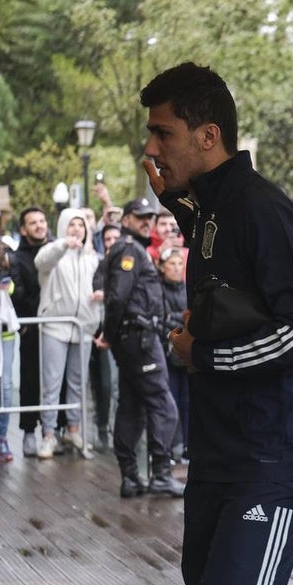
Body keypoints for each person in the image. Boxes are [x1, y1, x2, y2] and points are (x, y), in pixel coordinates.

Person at [141, 61, 293, 585]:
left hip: (269, 465)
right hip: (222, 457)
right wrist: (179, 205)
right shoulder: (212, 211)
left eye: (162, 134)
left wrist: (208, 357)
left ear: (208, 136)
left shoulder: (260, 209)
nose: (149, 149)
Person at [101, 198, 184, 498]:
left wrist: (110, 334)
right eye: (139, 217)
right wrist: (110, 334)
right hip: (139, 339)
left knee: (132, 406)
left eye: (148, 217)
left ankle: (131, 477)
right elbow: (118, 298)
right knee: (163, 404)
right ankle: (160, 473)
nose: (145, 222)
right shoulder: (128, 250)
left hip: (135, 338)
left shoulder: (131, 249)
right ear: (125, 219)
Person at [34, 207, 102, 458]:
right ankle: (48, 435)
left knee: (78, 382)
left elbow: (101, 282)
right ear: (63, 227)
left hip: (83, 327)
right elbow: (41, 262)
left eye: (81, 225)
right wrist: (63, 244)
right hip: (55, 326)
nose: (77, 229)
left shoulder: (92, 258)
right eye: (72, 225)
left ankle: (73, 429)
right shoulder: (53, 253)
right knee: (51, 384)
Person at [9, 206, 49, 457]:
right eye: (33, 222)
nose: (39, 225)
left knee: (59, 379)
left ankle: (57, 430)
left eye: (42, 220)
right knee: (30, 380)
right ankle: (28, 431)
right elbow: (18, 293)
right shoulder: (17, 257)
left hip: (58, 326)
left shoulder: (59, 247)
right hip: (32, 327)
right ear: (23, 229)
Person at [89, 223, 122, 452]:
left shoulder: (133, 261)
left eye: (115, 238)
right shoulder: (101, 265)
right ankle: (102, 427)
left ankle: (118, 429)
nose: (111, 243)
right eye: (107, 239)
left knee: (121, 386)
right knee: (105, 384)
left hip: (128, 333)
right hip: (104, 332)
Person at [158, 246, 190, 461]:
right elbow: (161, 319)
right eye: (172, 264)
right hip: (165, 352)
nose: (177, 268)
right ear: (162, 267)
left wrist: (174, 318)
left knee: (188, 401)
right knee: (170, 400)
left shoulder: (189, 288)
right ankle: (168, 447)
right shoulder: (158, 290)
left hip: (187, 353)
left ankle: (188, 446)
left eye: (180, 264)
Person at [0, 219, 15, 462]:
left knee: (4, 386)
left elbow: (16, 282)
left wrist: (8, 289)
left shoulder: (6, 254)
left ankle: (0, 437)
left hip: (3, 331)